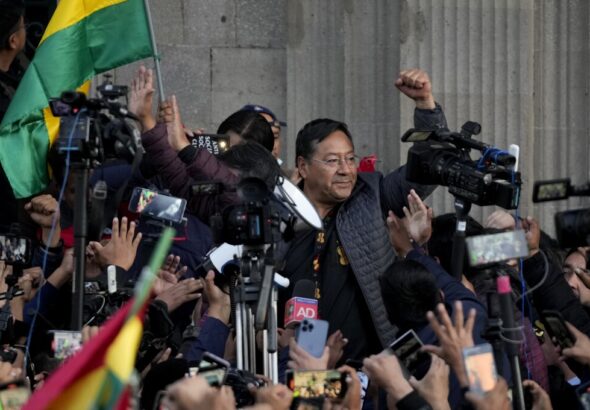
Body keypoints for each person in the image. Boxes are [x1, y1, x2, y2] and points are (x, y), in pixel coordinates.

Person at [278, 69, 448, 362]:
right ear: (303, 167)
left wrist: (425, 106)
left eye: (350, 158)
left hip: (372, 369)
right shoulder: (277, 218)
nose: (345, 169)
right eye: (332, 161)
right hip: (299, 368)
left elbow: (425, 171)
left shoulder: (371, 195)